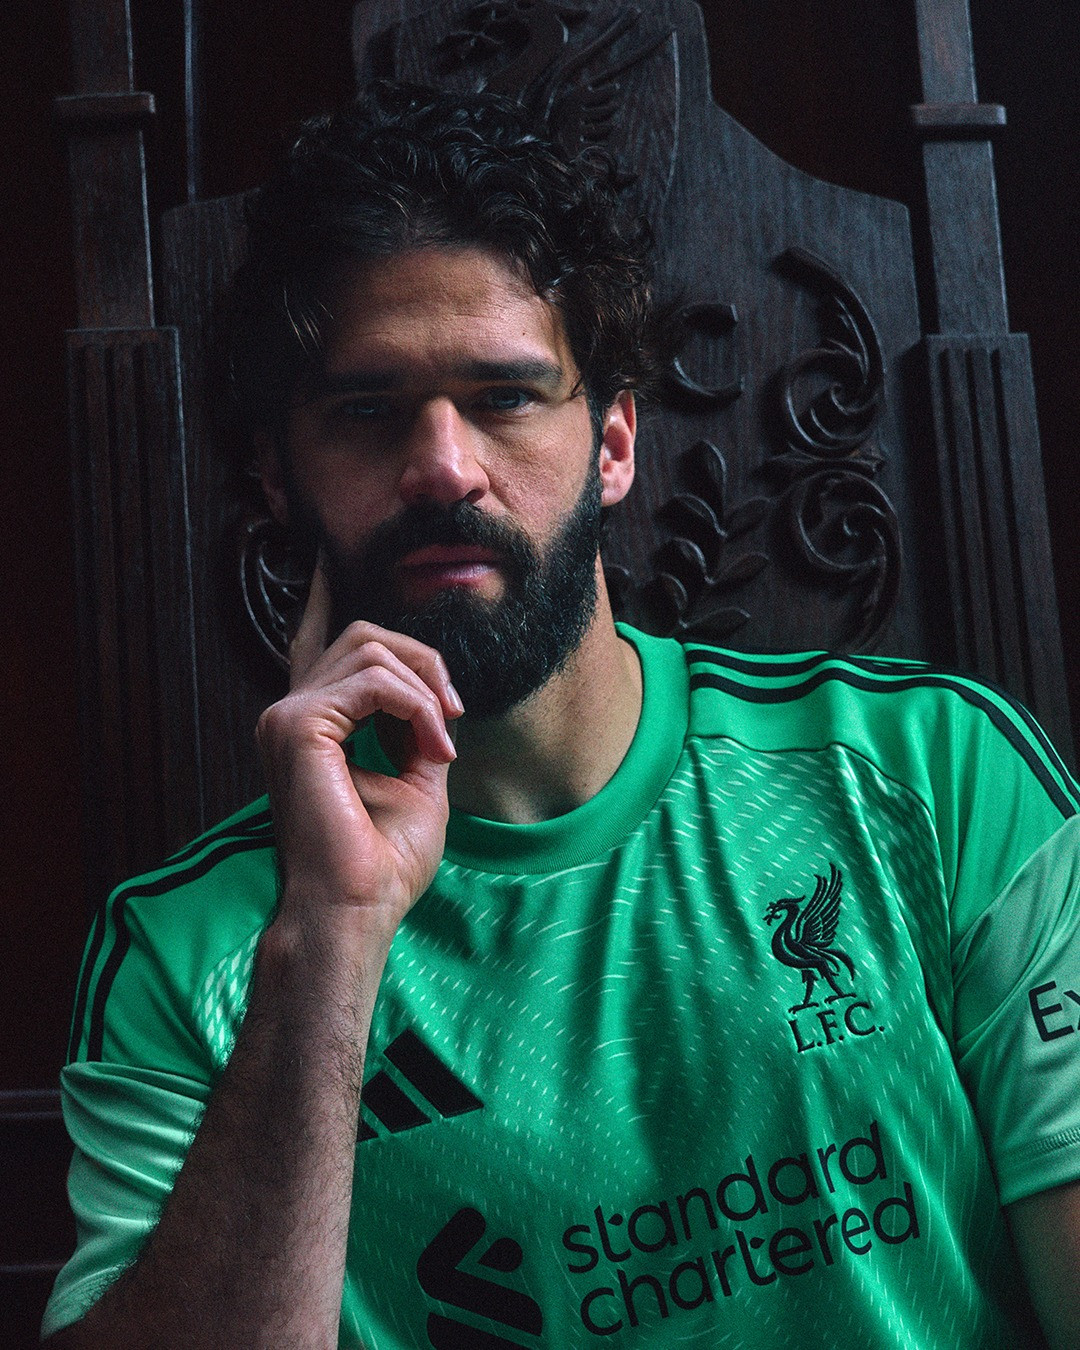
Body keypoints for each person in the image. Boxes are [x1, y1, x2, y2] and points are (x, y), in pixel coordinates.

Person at [42, 81, 1080, 1349]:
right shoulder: (184, 956)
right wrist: (330, 937)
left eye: (506, 396)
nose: (443, 467)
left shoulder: (936, 776)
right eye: (366, 412)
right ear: (276, 474)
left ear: (615, 442)